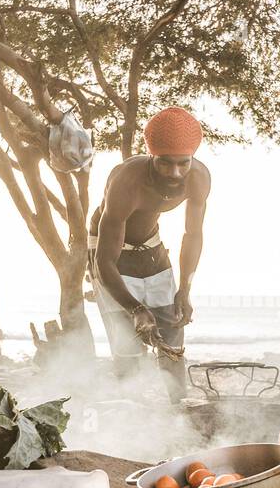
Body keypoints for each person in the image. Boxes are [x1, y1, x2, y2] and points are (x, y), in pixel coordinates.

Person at [88, 106, 211, 401]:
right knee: (128, 343)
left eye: (183, 163)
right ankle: (132, 418)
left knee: (172, 328)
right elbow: (104, 260)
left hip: (151, 245)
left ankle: (179, 408)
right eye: (165, 164)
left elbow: (192, 235)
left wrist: (185, 289)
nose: (175, 172)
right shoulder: (126, 181)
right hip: (109, 251)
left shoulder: (199, 178)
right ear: (152, 155)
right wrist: (136, 309)